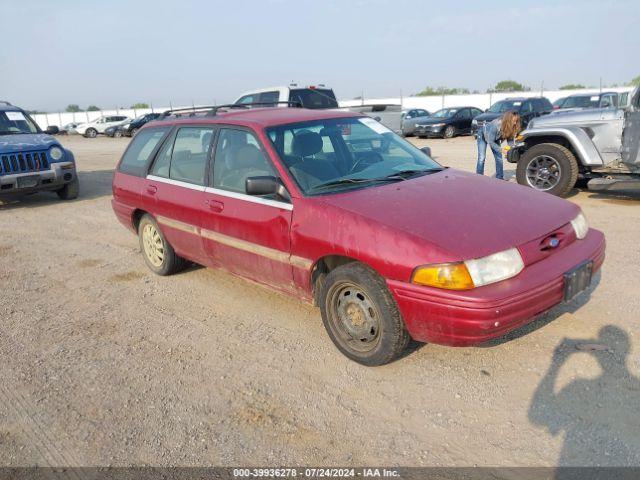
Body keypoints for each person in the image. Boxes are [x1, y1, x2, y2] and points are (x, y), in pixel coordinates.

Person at [476, 110, 521, 180]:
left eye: (516, 121)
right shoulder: (496, 125)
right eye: (514, 121)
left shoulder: (511, 127)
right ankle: (479, 178)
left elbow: (510, 141)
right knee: (482, 158)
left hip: (495, 138)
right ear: (508, 120)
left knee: (499, 158)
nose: (515, 123)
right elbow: (490, 141)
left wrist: (510, 150)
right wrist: (502, 150)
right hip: (483, 135)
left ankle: (499, 178)